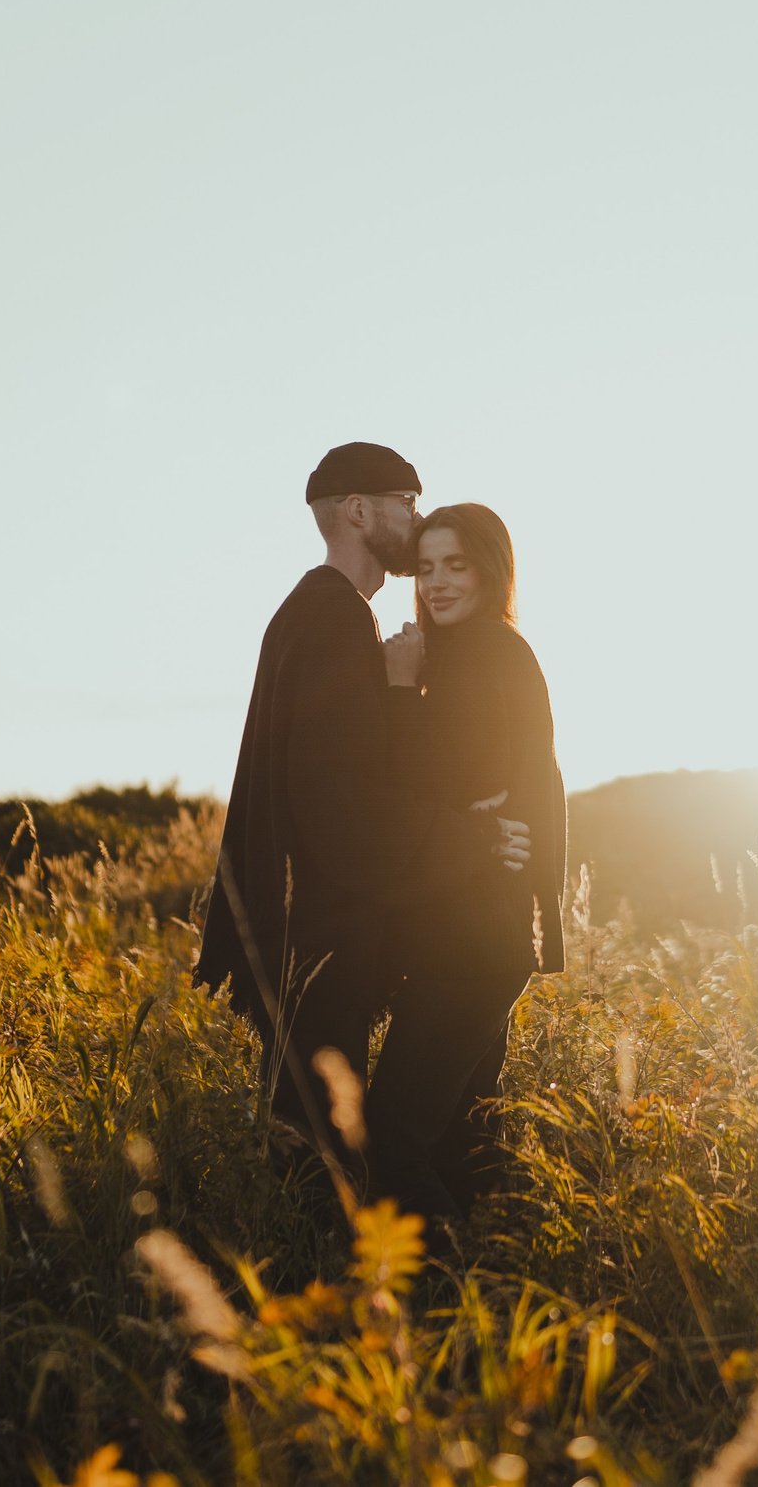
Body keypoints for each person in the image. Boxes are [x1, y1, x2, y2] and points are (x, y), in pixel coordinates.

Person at [192, 444, 532, 1185]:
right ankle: (333, 1285)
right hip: (320, 930)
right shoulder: (330, 620)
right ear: (359, 512)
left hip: (319, 927)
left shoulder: (323, 614)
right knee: (324, 1150)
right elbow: (340, 797)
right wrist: (471, 835)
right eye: (407, 504)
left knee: (353, 1138)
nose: (416, 523)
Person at [364, 502, 567, 1232]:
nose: (439, 581)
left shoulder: (477, 654)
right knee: (464, 1142)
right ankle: (504, 1293)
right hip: (490, 936)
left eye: (456, 565)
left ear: (491, 569)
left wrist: (395, 684)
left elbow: (424, 775)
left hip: (468, 942)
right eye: (426, 568)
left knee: (391, 1139)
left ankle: (449, 1301)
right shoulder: (497, 650)